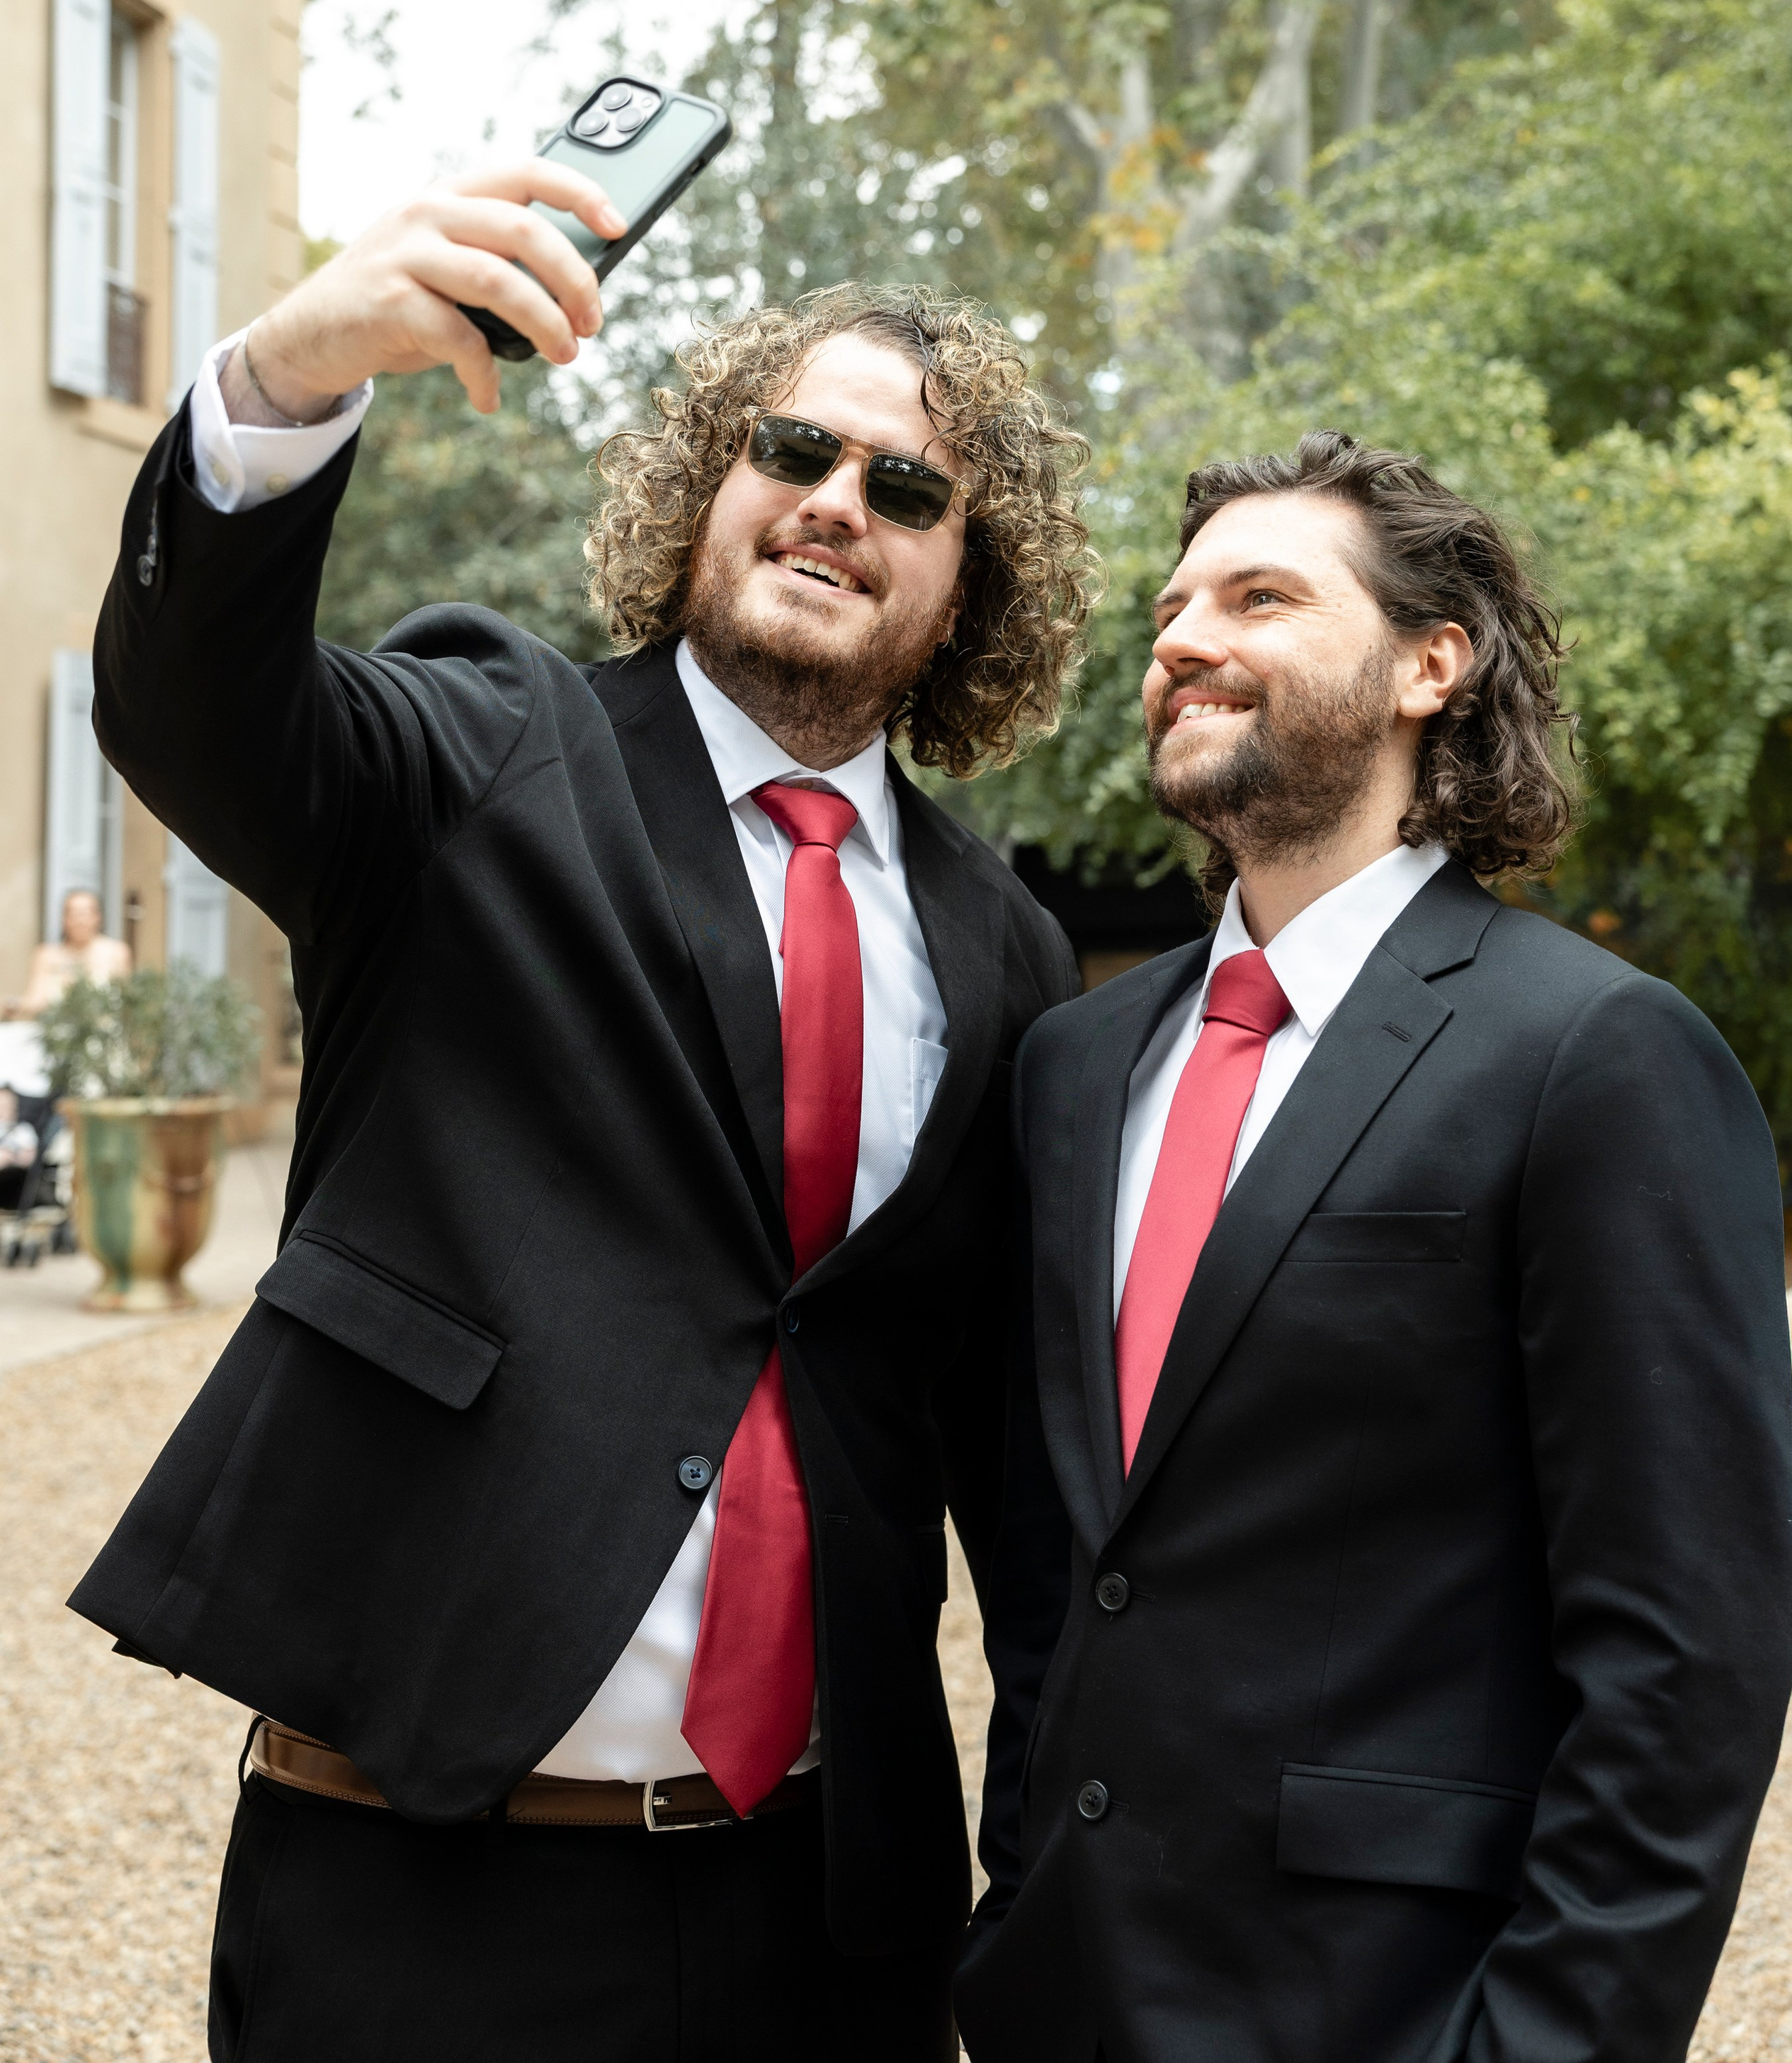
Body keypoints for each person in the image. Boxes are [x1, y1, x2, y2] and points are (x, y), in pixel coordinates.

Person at [68, 157, 1093, 2063]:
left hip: (828, 1921)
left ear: (970, 583)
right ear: (710, 480)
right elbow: (195, 707)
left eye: (909, 488)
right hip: (425, 1888)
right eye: (795, 445)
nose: (836, 502)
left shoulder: (1009, 954)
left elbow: (1013, 1491)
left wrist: (1031, 1900)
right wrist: (293, 374)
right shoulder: (476, 756)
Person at [958, 430, 1792, 2063]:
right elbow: (1061, 1570)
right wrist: (1016, 1901)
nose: (1183, 639)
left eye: (1258, 595)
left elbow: (1679, 1664)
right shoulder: (1071, 1066)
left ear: (1430, 660)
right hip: (1067, 1990)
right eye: (1168, 609)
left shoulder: (1596, 1055)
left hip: (1392, 2008)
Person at [1, 887, 132, 1017]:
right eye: (74, 914)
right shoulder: (46, 955)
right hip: (58, 1029)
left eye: (85, 913)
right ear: (64, 919)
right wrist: (13, 1004)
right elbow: (36, 999)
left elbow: (127, 1001)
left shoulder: (117, 952)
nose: (80, 921)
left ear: (98, 917)